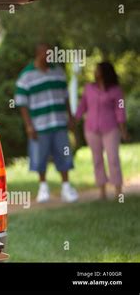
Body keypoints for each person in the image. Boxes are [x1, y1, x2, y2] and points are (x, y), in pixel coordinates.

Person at [15, 43, 79, 203]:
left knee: (64, 154)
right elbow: (22, 103)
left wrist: (70, 117)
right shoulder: (26, 76)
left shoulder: (58, 72)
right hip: (39, 125)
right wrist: (29, 125)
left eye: (51, 53)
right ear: (38, 53)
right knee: (39, 157)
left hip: (59, 123)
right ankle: (43, 188)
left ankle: (66, 187)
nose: (49, 55)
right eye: (46, 53)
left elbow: (65, 97)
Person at [75, 61, 128, 199]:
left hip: (111, 128)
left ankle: (118, 190)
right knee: (97, 159)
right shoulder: (89, 88)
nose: (95, 72)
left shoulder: (116, 90)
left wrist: (122, 128)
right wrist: (74, 120)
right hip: (91, 129)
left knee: (113, 158)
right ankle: (102, 191)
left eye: (98, 70)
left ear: (105, 72)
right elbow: (82, 106)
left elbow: (120, 108)